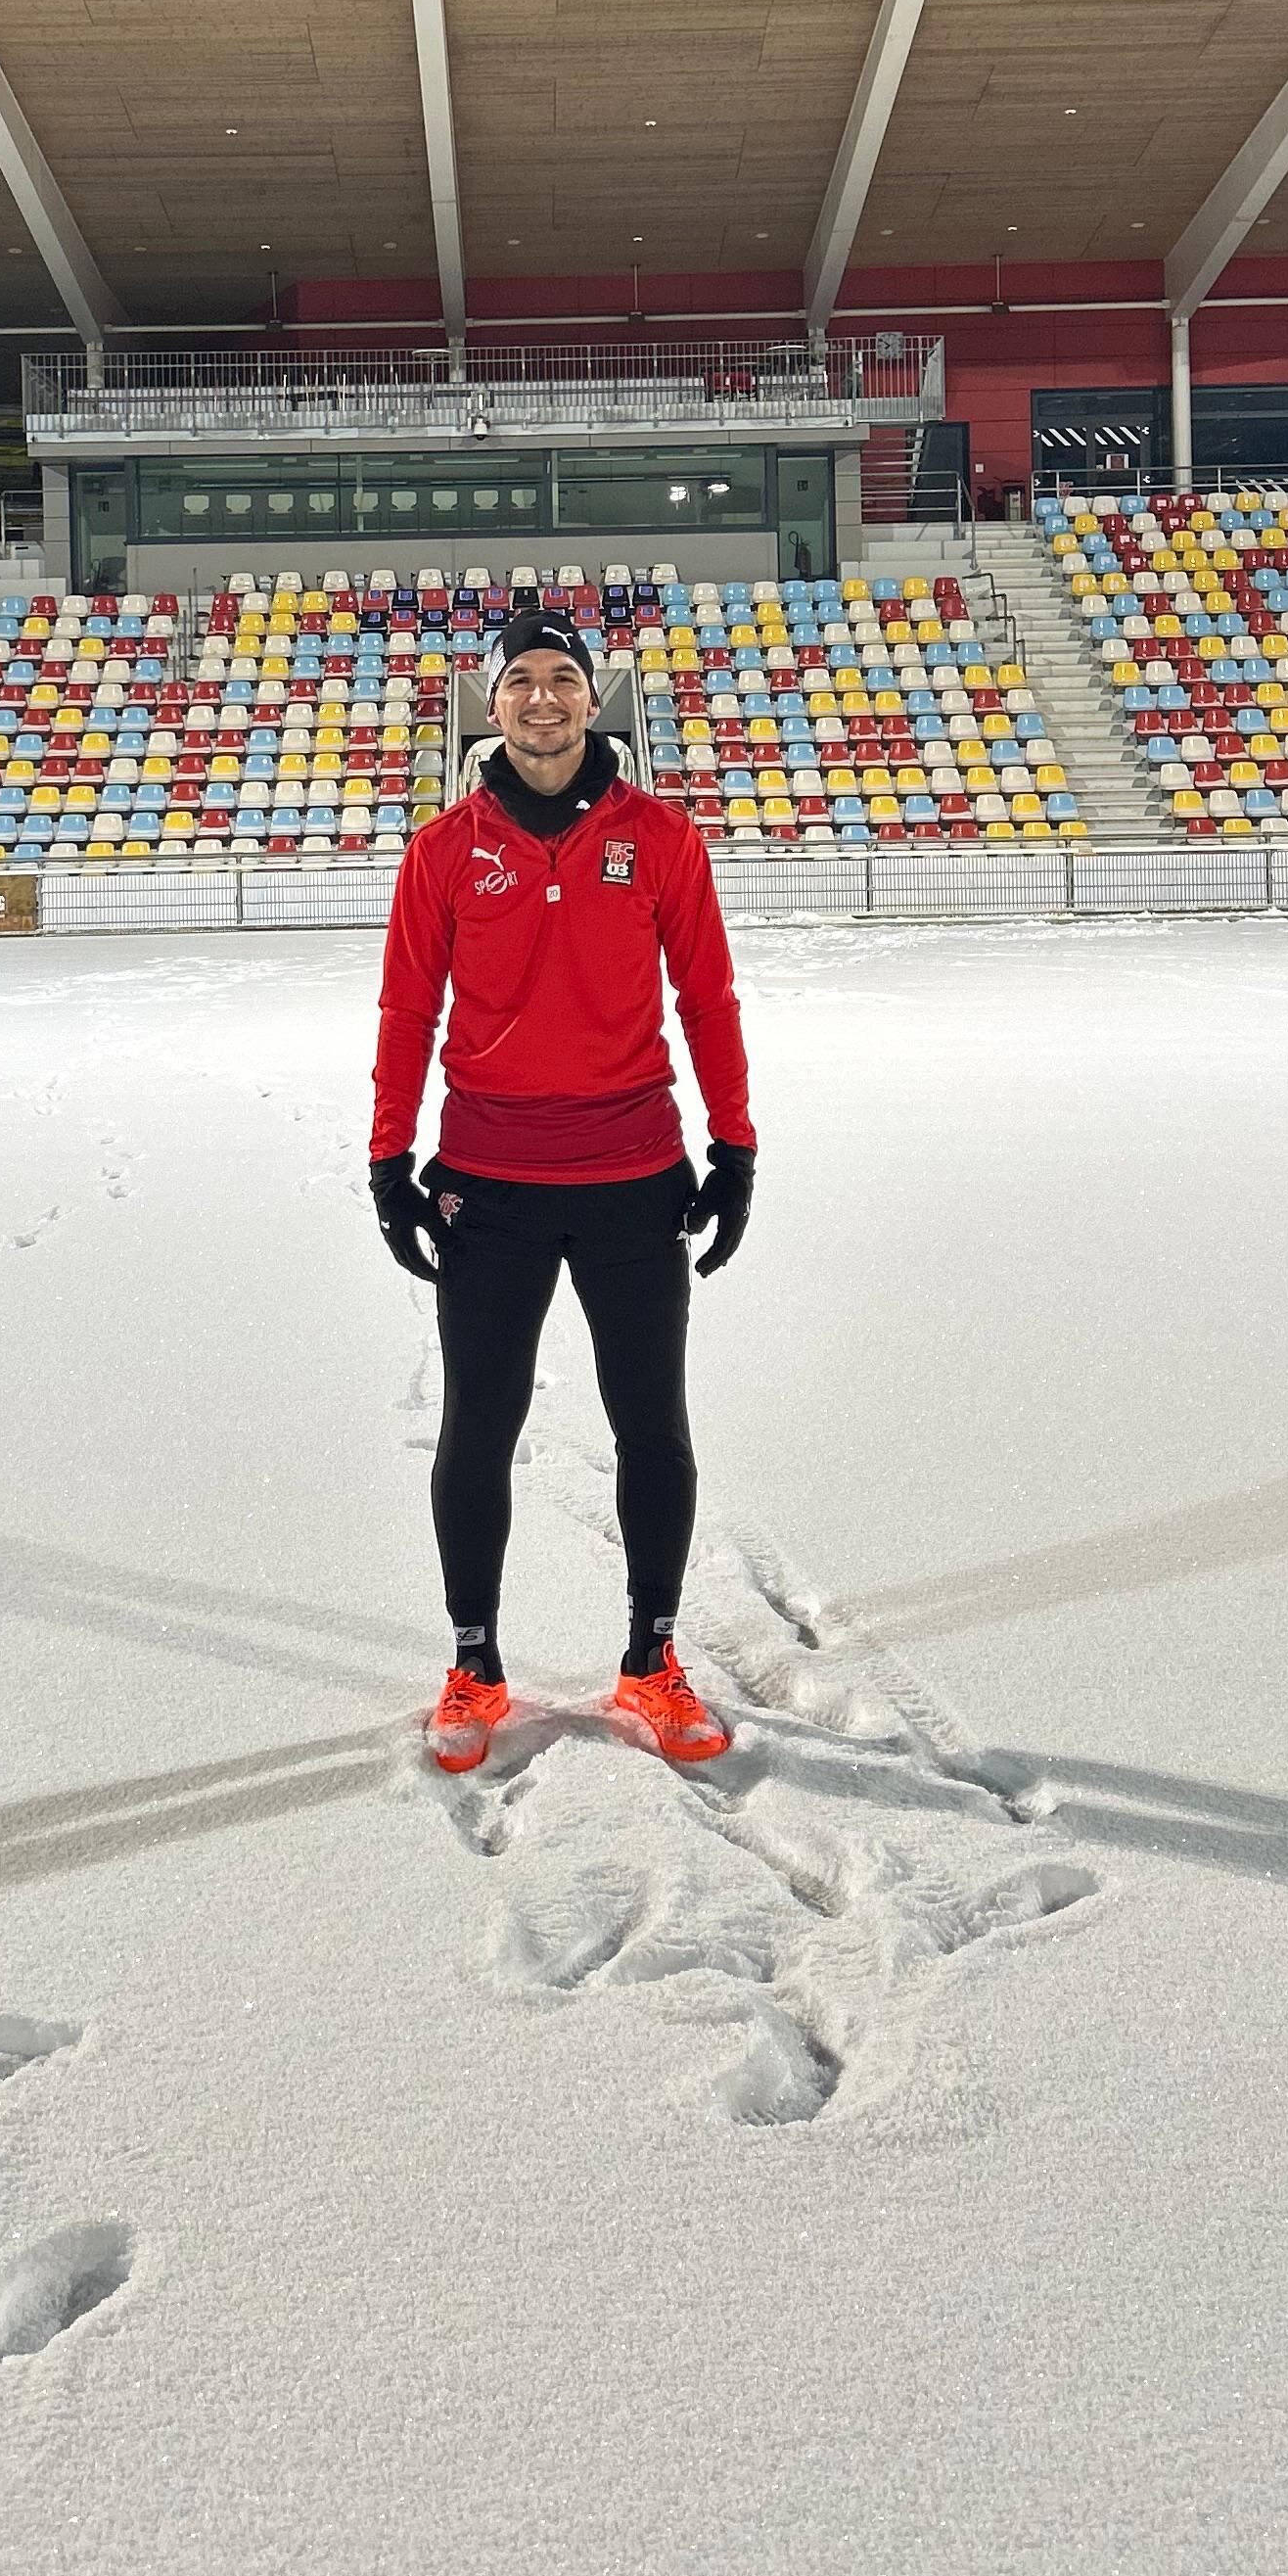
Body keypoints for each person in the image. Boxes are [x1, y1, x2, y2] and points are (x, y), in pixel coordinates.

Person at [369, 601, 758, 1774]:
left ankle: (652, 1661)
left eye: (563, 680)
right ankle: (473, 1668)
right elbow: (406, 1012)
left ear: (595, 702)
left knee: (654, 1428)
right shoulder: (442, 851)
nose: (544, 699)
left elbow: (708, 999)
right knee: (478, 1428)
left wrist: (734, 1149)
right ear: (493, 705)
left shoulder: (663, 839)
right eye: (522, 681)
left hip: (633, 1177)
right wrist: (390, 1160)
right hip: (488, 1181)